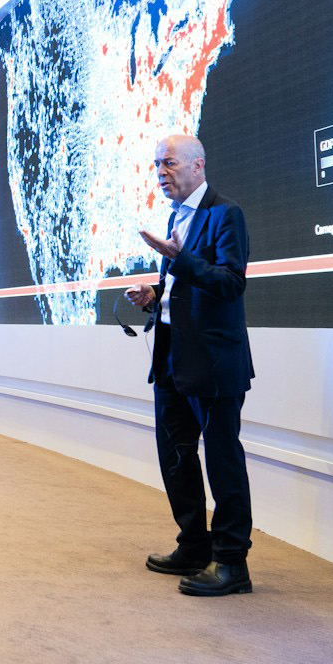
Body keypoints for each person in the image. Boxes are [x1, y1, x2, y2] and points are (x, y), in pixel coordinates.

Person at [126, 132, 255, 597]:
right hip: (172, 359)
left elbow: (229, 283)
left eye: (169, 163)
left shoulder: (226, 214)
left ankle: (232, 563)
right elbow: (183, 290)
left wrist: (181, 260)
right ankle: (193, 546)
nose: (161, 172)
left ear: (198, 165)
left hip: (215, 363)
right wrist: (154, 295)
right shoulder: (175, 216)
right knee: (176, 457)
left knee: (222, 463)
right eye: (157, 165)